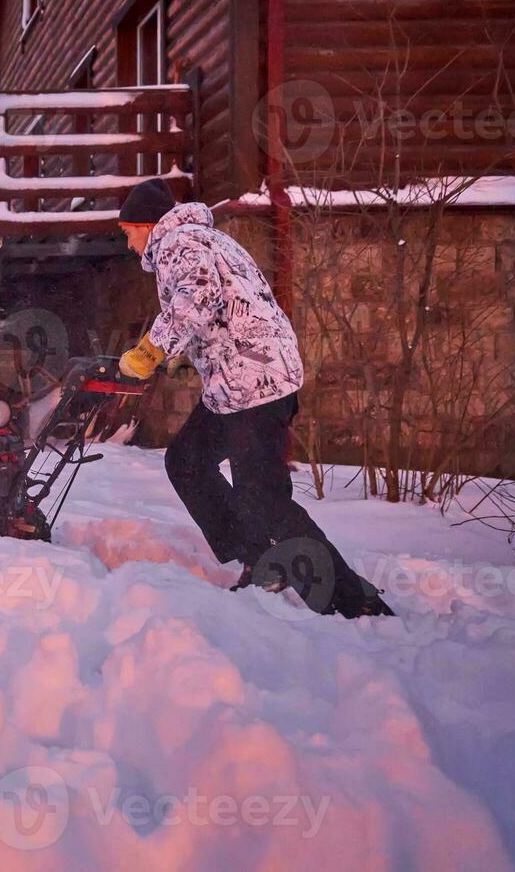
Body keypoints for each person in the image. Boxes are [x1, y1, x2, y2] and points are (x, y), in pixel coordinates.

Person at [115, 178, 393, 619]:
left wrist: (150, 351)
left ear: (147, 224)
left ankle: (352, 604)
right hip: (237, 382)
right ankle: (259, 559)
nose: (129, 245)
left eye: (129, 232)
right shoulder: (202, 240)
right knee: (187, 460)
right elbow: (219, 311)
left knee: (263, 499)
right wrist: (175, 360)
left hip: (255, 384)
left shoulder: (177, 241)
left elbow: (195, 301)